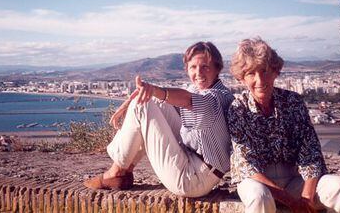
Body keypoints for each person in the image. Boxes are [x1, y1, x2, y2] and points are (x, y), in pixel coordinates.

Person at [84, 41, 234, 197]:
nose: (199, 73)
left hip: (194, 180)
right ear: (187, 69)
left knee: (144, 105)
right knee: (150, 101)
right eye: (193, 67)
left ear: (217, 68)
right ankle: (125, 171)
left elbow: (188, 100)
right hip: (195, 160)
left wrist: (154, 91)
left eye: (205, 67)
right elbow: (169, 101)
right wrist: (130, 102)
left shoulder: (217, 97)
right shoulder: (201, 89)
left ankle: (116, 172)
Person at [228, 37, 340, 213]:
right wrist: (291, 201)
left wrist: (306, 197)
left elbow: (311, 152)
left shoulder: (293, 102)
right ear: (242, 78)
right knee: (259, 197)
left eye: (265, 71)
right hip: (257, 182)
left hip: (295, 178)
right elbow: (246, 165)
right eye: (251, 73)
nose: (260, 80)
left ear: (275, 72)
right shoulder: (238, 109)